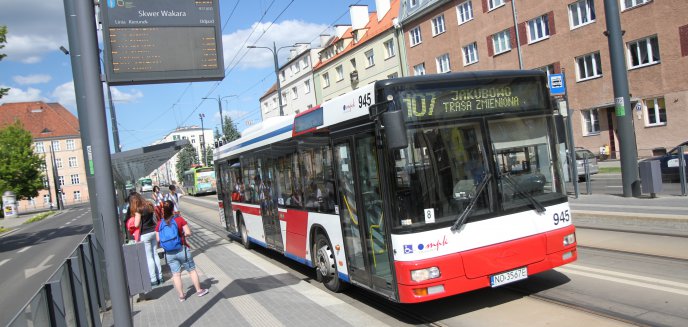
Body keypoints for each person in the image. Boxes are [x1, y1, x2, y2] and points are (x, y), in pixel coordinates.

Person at [156, 200, 209, 301]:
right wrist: (181, 236)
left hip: (169, 253)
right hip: (182, 249)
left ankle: (181, 296)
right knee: (191, 270)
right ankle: (199, 291)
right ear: (173, 209)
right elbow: (188, 232)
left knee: (176, 274)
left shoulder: (159, 224)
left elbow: (158, 240)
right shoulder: (179, 219)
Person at [130, 193, 163, 286]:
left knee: (149, 257)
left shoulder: (138, 210)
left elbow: (136, 224)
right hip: (153, 231)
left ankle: (153, 279)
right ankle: (160, 277)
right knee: (155, 254)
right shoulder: (149, 205)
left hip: (145, 234)